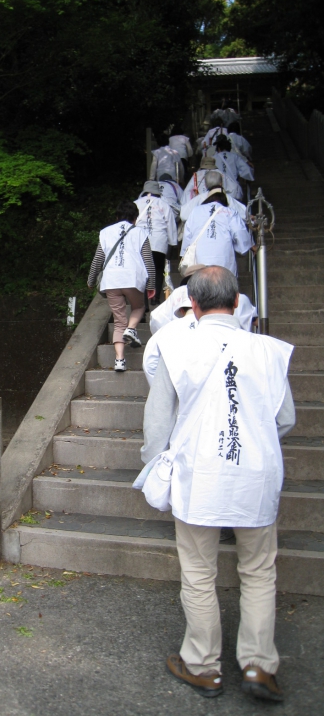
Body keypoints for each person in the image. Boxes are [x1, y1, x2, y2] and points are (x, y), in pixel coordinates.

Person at [141, 266, 295, 700]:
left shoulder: (175, 346)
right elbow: (285, 420)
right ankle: (259, 667)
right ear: (236, 300)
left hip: (198, 476)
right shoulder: (267, 350)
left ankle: (203, 665)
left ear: (192, 303)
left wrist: (157, 466)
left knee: (198, 573)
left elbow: (157, 425)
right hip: (257, 478)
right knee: (260, 571)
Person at [87, 200, 155, 372]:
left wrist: (90, 280)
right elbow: (148, 261)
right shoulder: (140, 232)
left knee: (119, 321)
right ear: (135, 218)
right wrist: (152, 284)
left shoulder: (105, 233)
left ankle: (119, 360)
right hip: (133, 279)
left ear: (117, 217)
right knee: (138, 307)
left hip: (111, 281)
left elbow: (97, 261)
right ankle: (131, 329)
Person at [180, 178, 253, 276]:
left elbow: (187, 238)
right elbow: (239, 232)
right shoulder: (230, 212)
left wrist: (184, 253)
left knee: (202, 289)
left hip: (199, 263)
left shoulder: (195, 211)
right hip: (224, 264)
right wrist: (242, 248)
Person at [134, 181, 177, 306]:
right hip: (159, 241)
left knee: (142, 271)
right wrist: (172, 243)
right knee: (158, 269)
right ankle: (155, 298)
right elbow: (170, 224)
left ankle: (143, 303)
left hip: (140, 241)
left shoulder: (136, 204)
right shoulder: (164, 204)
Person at [180, 171, 246, 222]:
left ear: (205, 185)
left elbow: (183, 215)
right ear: (221, 184)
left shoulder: (199, 198)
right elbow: (244, 215)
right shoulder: (228, 198)